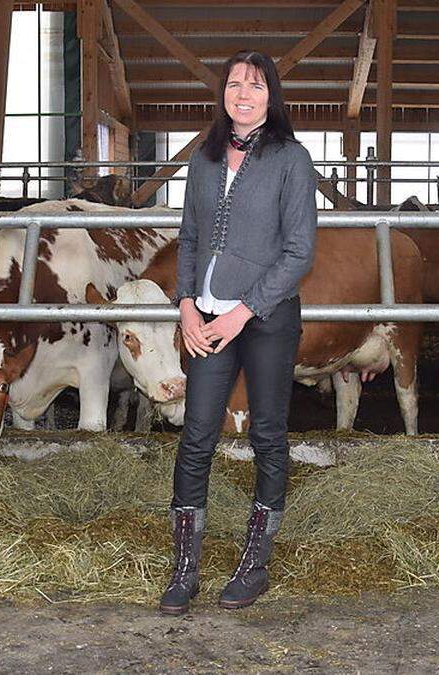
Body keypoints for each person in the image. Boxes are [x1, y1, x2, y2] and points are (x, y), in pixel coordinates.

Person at [157, 50, 317, 615]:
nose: (242, 94)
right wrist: (185, 305)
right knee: (196, 434)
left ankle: (255, 562)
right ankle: (183, 569)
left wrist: (241, 311)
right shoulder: (202, 160)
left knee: (267, 434)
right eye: (233, 85)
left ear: (270, 96)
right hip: (206, 318)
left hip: (267, 320)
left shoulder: (291, 160)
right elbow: (190, 237)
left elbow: (300, 252)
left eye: (254, 86)